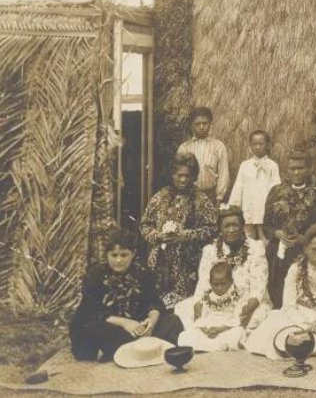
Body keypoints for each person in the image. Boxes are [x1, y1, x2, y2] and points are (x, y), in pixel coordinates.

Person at [70, 229, 182, 362]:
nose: (118, 260)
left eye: (124, 255)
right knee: (93, 330)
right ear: (107, 254)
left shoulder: (143, 274)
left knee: (172, 321)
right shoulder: (96, 275)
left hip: (138, 327)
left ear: (133, 254)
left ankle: (139, 349)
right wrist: (125, 323)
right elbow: (90, 310)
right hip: (112, 326)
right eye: (114, 255)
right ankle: (135, 349)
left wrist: (152, 320)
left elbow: (154, 302)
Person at [246, 223, 316, 359]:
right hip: (300, 314)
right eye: (314, 249)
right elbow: (288, 306)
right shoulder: (296, 269)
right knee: (274, 325)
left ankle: (295, 348)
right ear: (305, 249)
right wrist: (305, 325)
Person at [263, 150, 316, 308]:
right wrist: (277, 233)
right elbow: (266, 224)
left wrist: (306, 238)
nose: (296, 172)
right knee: (279, 290)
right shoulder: (276, 192)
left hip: (309, 250)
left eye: (300, 168)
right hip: (281, 250)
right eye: (292, 168)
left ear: (308, 169)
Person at [139, 152, 216, 307]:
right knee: (157, 306)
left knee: (184, 307)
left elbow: (212, 229)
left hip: (188, 265)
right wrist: (158, 236)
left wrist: (186, 235)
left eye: (187, 176)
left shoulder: (201, 200)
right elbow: (144, 225)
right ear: (172, 174)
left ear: (194, 176)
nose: (183, 180)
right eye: (179, 175)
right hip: (160, 263)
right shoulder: (160, 197)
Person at [174, 205, 269, 331]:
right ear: (220, 228)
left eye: (235, 225)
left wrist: (245, 312)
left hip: (247, 300)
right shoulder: (210, 251)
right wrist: (199, 313)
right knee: (184, 310)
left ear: (243, 226)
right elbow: (203, 284)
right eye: (226, 226)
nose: (231, 230)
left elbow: (259, 287)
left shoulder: (255, 248)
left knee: (257, 318)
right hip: (216, 302)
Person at [179, 262, 250, 352]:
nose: (219, 288)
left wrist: (220, 329)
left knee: (237, 333)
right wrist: (204, 329)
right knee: (186, 335)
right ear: (210, 283)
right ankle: (211, 346)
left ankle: (210, 346)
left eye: (223, 284)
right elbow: (203, 316)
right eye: (216, 284)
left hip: (226, 327)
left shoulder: (235, 295)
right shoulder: (207, 296)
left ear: (231, 282)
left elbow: (237, 317)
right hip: (210, 326)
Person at [228, 130, 281, 240]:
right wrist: (233, 207)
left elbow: (276, 188)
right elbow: (239, 187)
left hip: (264, 207)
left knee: (264, 239)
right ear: (250, 146)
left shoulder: (272, 166)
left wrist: (274, 207)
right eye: (254, 144)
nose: (257, 147)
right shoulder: (245, 165)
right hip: (249, 207)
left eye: (261, 144)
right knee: (248, 238)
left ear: (267, 145)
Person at [177, 106, 230, 204]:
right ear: (191, 125)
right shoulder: (184, 148)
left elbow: (224, 173)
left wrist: (219, 197)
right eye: (197, 124)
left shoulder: (218, 146)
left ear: (210, 124)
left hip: (211, 196)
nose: (201, 127)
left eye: (205, 123)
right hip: (189, 196)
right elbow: (179, 173)